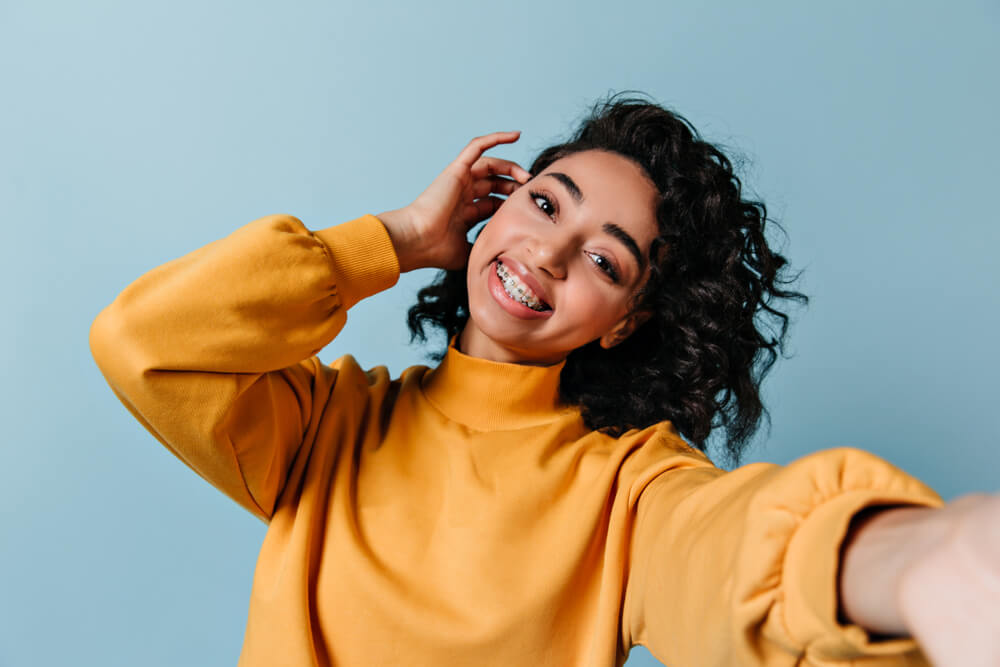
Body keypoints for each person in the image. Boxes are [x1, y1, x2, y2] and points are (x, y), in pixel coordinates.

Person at [89, 94, 999, 667]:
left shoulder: (630, 490)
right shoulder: (323, 425)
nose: (549, 253)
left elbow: (733, 555)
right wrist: (399, 238)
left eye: (605, 261)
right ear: (493, 204)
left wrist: (921, 557)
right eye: (544, 202)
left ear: (629, 322)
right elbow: (145, 340)